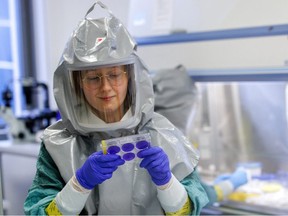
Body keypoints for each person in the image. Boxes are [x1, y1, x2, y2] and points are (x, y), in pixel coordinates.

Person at [23, 1, 208, 215]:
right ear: (75, 84)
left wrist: (167, 183)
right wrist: (79, 185)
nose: (106, 87)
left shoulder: (163, 134)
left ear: (131, 76)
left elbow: (188, 211)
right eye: (92, 78)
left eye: (114, 75)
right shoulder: (59, 144)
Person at [152, 65, 248, 206]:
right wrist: (230, 184)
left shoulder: (150, 128)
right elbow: (198, 198)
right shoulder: (173, 140)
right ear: (186, 105)